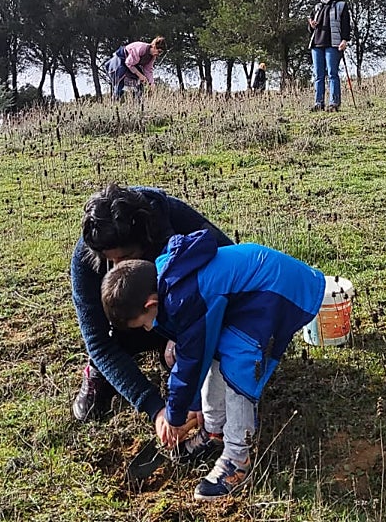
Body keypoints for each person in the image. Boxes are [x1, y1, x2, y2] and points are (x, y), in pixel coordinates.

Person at [102, 230, 325, 501]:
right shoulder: (167, 280)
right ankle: (214, 432)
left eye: (145, 323)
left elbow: (191, 362)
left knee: (238, 371)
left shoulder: (184, 297)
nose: (150, 329)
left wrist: (174, 415)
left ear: (151, 303)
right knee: (218, 356)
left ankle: (237, 461)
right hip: (251, 297)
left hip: (275, 292)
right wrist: (192, 405)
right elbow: (200, 351)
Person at [70, 184, 233, 460]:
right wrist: (154, 407)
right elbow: (98, 341)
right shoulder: (88, 256)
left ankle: (172, 359)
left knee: (184, 361)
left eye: (124, 258)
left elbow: (228, 266)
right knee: (93, 406)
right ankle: (98, 373)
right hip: (126, 324)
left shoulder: (174, 219)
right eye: (110, 260)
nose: (116, 267)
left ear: (147, 242)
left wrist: (186, 335)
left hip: (178, 312)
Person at [307, 0, 351, 112]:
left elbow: (346, 25)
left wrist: (345, 40)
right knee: (318, 75)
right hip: (317, 44)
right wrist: (311, 25)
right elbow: (310, 29)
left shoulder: (341, 5)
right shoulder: (317, 7)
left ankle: (334, 103)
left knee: (332, 73)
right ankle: (318, 103)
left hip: (333, 44)